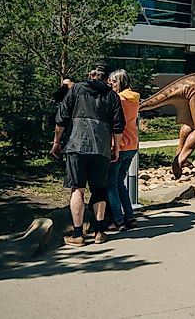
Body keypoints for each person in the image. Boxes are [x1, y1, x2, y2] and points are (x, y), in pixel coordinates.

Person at [52, 62, 125, 247]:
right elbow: (118, 126)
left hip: (77, 145)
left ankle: (78, 234)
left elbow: (61, 119)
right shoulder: (112, 96)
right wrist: (116, 148)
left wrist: (56, 143)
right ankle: (99, 232)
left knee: (78, 188)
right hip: (101, 148)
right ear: (106, 77)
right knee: (99, 188)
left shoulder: (75, 90)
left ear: (89, 74)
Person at [106, 69, 140, 231]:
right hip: (132, 145)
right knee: (120, 182)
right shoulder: (135, 98)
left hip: (119, 145)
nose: (110, 84)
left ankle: (118, 220)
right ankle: (130, 216)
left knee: (110, 184)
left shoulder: (118, 99)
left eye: (113, 81)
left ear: (120, 82)